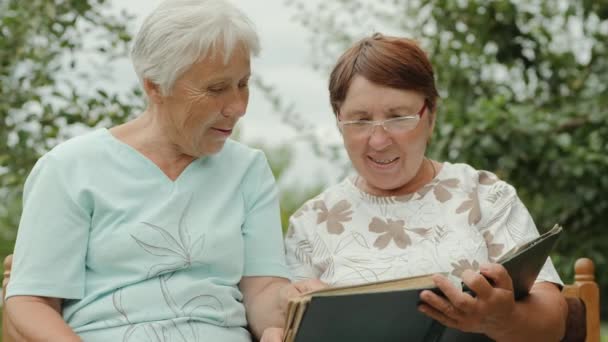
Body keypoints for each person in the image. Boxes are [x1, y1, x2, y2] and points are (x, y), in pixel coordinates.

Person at [4, 1, 321, 341]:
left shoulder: (248, 170)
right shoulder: (69, 168)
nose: (239, 107)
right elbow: (31, 300)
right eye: (216, 89)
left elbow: (262, 290)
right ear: (154, 85)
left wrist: (289, 306)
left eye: (243, 84)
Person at [284, 33, 568, 341]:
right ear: (339, 121)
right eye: (360, 120)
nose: (379, 141)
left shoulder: (487, 197)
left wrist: (503, 320)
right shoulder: (310, 224)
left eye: (399, 117)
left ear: (430, 117)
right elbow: (285, 326)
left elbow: (554, 321)